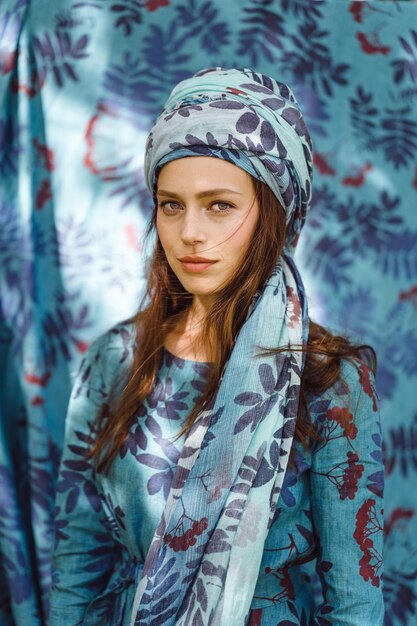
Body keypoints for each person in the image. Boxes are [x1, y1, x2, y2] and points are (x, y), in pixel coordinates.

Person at [48, 68, 384, 626]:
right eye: (172, 204)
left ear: (272, 213)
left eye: (220, 205)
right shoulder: (115, 359)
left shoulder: (329, 380)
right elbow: (78, 570)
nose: (190, 233)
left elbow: (355, 605)